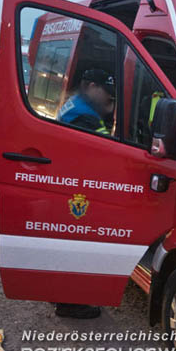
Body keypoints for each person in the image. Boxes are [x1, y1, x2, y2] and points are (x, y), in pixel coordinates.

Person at [54, 68, 116, 319]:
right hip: (79, 189)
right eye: (108, 96)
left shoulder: (75, 104)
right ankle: (70, 303)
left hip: (70, 183)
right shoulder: (86, 118)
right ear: (91, 86)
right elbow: (107, 153)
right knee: (78, 245)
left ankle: (60, 294)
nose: (109, 101)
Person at [57, 68, 115, 135]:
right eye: (107, 91)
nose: (110, 96)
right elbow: (105, 143)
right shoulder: (87, 120)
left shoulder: (75, 101)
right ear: (92, 87)